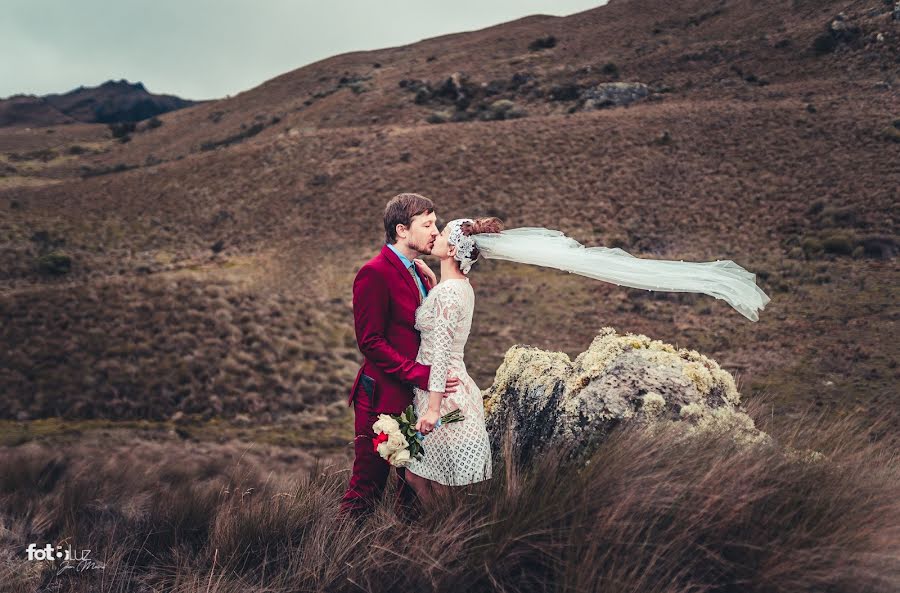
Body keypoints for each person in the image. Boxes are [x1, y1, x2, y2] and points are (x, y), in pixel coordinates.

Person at [338, 193, 461, 521]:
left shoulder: (420, 272)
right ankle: (327, 558)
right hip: (380, 398)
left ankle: (405, 557)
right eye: (428, 224)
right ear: (402, 230)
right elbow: (371, 342)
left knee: (412, 488)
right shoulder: (374, 273)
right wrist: (421, 374)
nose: (435, 230)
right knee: (367, 487)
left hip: (413, 399)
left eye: (435, 223)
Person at [404, 217, 502, 505]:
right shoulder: (459, 286)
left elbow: (442, 354)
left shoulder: (449, 293)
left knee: (432, 482)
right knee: (429, 479)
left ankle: (442, 535)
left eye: (443, 233)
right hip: (444, 388)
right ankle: (442, 533)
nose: (436, 234)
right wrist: (433, 285)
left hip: (445, 395)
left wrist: (433, 410)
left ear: (451, 250)